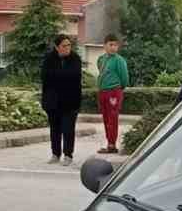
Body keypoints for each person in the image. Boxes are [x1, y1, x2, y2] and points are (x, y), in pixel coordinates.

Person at [40, 36, 85, 166]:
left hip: (70, 101)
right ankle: (55, 154)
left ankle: (68, 155)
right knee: (55, 129)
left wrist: (58, 76)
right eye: (64, 46)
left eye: (69, 45)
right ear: (57, 47)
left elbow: (74, 76)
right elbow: (45, 77)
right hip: (52, 101)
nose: (67, 48)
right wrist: (62, 76)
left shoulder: (75, 58)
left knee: (68, 129)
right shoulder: (49, 59)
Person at [95, 35, 129, 154]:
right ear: (105, 45)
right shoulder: (101, 59)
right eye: (110, 44)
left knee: (112, 118)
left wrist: (118, 89)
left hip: (114, 92)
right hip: (102, 91)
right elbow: (101, 72)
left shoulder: (119, 60)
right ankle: (108, 143)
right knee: (105, 118)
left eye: (115, 45)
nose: (113, 47)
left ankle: (112, 145)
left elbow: (124, 78)